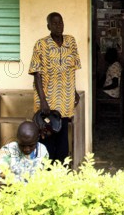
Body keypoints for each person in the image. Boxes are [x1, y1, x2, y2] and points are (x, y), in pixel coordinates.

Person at [29, 12, 81, 163]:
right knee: (47, 135)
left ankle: (61, 169)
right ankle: (47, 170)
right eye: (55, 23)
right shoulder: (41, 44)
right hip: (47, 99)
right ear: (48, 26)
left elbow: (71, 70)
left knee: (63, 133)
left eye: (61, 22)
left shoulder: (71, 42)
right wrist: (43, 101)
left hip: (65, 97)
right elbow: (36, 74)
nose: (59, 26)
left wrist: (75, 91)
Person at [0, 121, 49, 192]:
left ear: (37, 139)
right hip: (11, 191)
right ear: (17, 139)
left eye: (31, 145)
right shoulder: (7, 151)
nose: (26, 149)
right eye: (22, 145)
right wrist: (12, 188)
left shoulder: (42, 151)